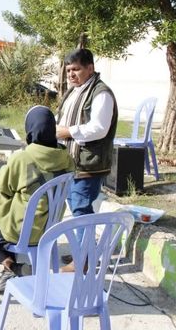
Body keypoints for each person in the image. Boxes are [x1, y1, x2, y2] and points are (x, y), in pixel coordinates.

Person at [0, 106, 75, 294]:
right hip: (50, 228)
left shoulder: (22, 159)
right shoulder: (67, 159)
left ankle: (12, 267)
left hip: (22, 228)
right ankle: (14, 267)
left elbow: (3, 192)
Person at [55, 47, 118, 271]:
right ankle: (82, 254)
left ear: (90, 68)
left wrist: (68, 132)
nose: (71, 74)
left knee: (81, 210)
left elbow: (99, 128)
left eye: (76, 69)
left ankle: (84, 261)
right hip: (72, 162)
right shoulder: (75, 91)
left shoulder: (101, 93)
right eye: (69, 70)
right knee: (77, 209)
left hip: (89, 163)